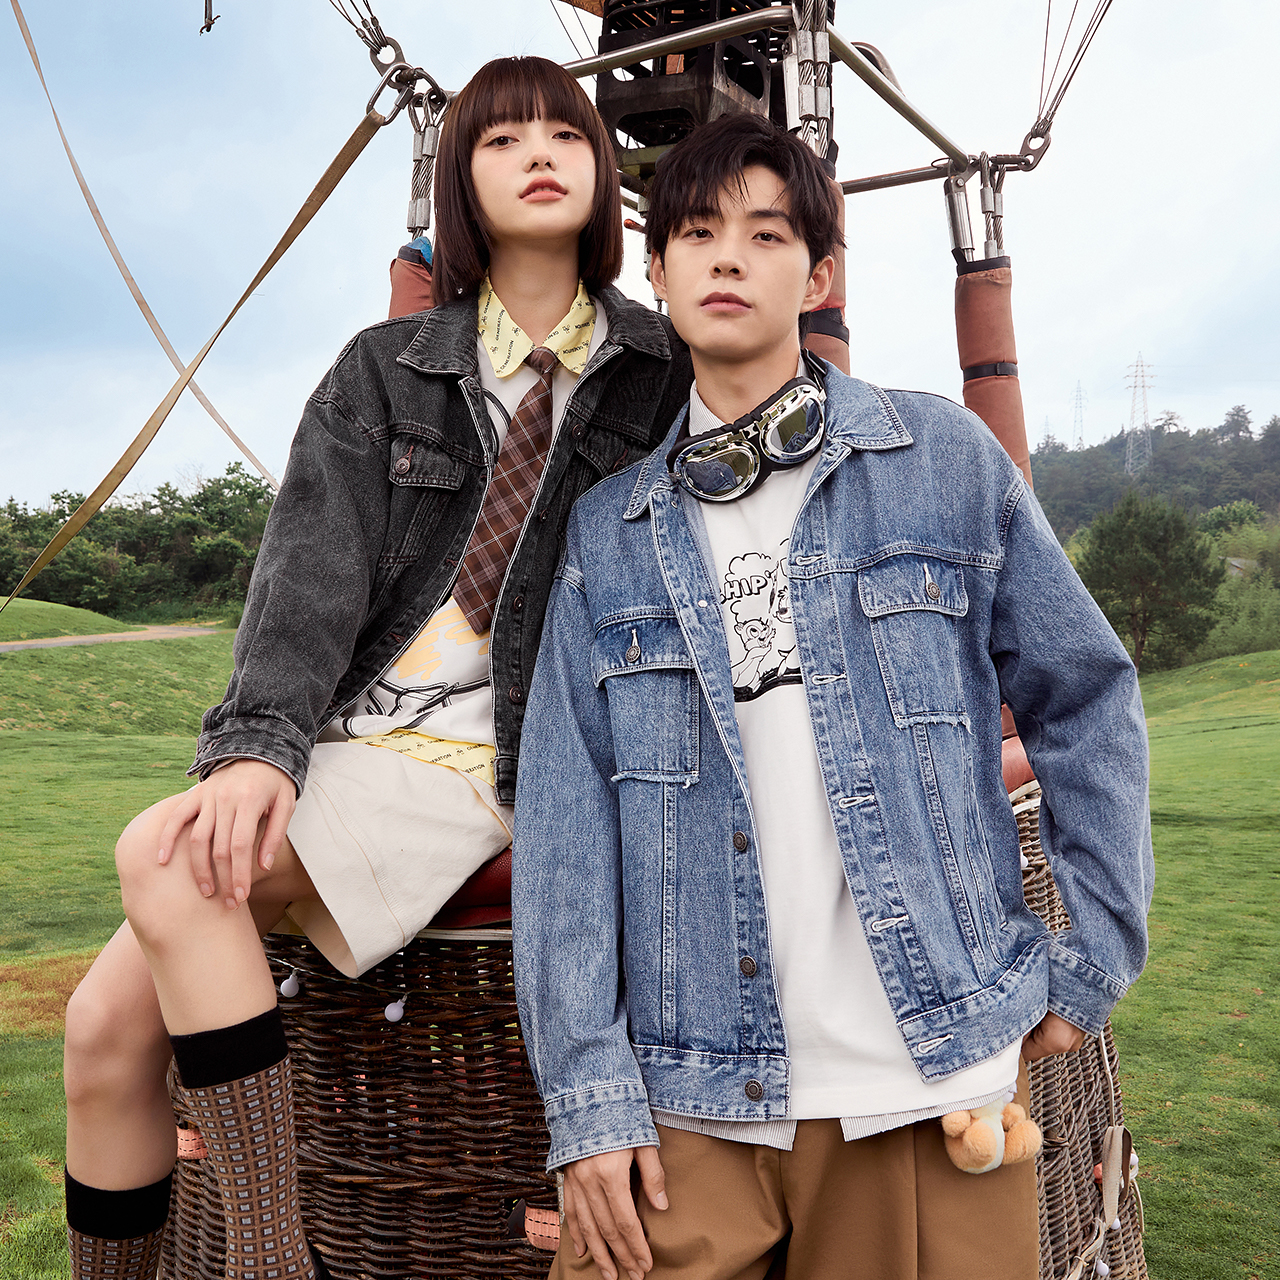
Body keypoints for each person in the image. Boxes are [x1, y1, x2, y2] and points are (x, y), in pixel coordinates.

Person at [61, 55, 693, 1280]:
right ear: (461, 182)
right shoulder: (384, 367)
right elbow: (309, 572)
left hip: (498, 746)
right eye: (501, 139)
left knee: (164, 862)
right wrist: (258, 748)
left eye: (564, 133)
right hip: (358, 731)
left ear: (602, 171)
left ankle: (267, 1257)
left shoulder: (662, 373)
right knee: (99, 1033)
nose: (539, 153)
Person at [512, 112, 1152, 1280]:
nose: (726, 256)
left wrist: (1093, 952)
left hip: (927, 1079)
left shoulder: (941, 459)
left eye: (765, 234)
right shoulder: (606, 536)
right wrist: (587, 1097)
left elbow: (1085, 697)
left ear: (815, 278)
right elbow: (565, 828)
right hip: (685, 1096)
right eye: (695, 233)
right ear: (655, 272)